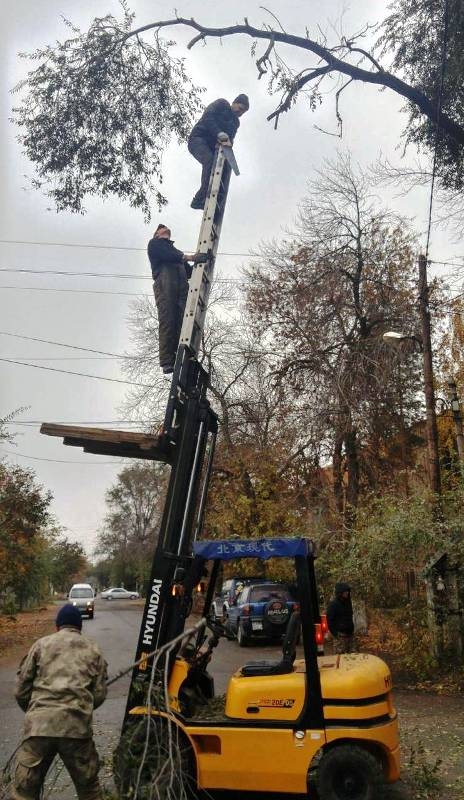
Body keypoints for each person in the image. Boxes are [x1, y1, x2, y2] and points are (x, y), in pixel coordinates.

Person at [12, 604, 108, 800]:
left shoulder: (40, 645)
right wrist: (81, 707)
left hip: (39, 728)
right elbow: (99, 694)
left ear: (58, 627)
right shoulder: (93, 649)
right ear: (79, 628)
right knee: (90, 791)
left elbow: (21, 689)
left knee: (24, 793)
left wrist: (35, 711)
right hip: (76, 729)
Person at [148, 224, 199, 374]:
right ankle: (167, 361)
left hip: (181, 288)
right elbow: (168, 256)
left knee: (183, 322)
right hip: (165, 285)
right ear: (156, 234)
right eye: (161, 228)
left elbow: (189, 271)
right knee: (168, 319)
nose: (166, 229)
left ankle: (180, 355)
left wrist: (199, 262)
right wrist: (189, 257)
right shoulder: (155, 244)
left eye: (167, 228)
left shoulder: (176, 252)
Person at [188, 94, 250, 209]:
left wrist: (228, 144)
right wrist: (218, 133)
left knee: (226, 169)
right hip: (198, 139)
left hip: (213, 147)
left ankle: (217, 201)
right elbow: (208, 117)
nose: (240, 113)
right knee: (209, 161)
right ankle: (199, 200)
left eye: (243, 112)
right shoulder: (222, 104)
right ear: (234, 103)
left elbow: (230, 138)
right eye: (240, 109)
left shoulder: (235, 123)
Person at [326, 582, 356, 654]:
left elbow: (350, 616)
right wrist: (336, 635)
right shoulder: (333, 605)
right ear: (340, 592)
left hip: (350, 635)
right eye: (345, 591)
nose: (347, 593)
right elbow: (329, 621)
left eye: (348, 591)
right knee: (340, 659)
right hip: (340, 636)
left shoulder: (348, 603)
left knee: (354, 658)